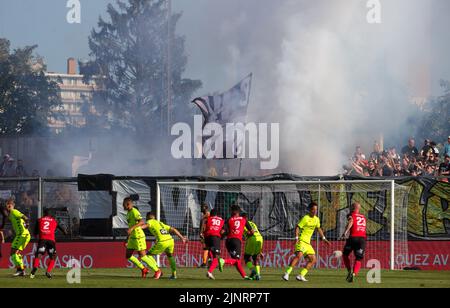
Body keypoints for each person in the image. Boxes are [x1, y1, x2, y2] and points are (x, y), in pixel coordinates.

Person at [282, 202, 330, 282]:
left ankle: (301, 275)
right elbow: (297, 227)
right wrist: (296, 238)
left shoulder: (316, 219)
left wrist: (324, 238)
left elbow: (319, 229)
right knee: (299, 256)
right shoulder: (305, 218)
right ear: (310, 210)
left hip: (308, 243)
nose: (315, 211)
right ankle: (287, 273)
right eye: (313, 209)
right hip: (301, 240)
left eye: (316, 210)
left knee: (313, 260)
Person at [143, 211, 187, 280]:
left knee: (147, 255)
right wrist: (182, 238)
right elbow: (174, 229)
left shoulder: (150, 221)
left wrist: (137, 227)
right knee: (170, 256)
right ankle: (174, 274)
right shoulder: (160, 223)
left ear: (148, 217)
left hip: (162, 242)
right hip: (170, 240)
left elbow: (145, 226)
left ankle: (157, 270)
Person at [123, 197, 156, 278]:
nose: (122, 206)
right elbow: (130, 227)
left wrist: (132, 228)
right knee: (128, 255)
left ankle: (157, 270)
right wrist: (127, 239)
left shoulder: (134, 211)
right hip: (132, 238)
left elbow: (141, 222)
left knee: (143, 256)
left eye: (123, 204)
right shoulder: (128, 213)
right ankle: (143, 269)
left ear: (128, 204)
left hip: (138, 237)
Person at [218, 205, 253, 280]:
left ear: (233, 211)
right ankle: (223, 260)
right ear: (238, 212)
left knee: (236, 261)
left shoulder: (229, 219)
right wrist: (247, 235)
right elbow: (251, 231)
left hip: (228, 241)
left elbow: (222, 231)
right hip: (236, 241)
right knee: (236, 259)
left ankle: (244, 276)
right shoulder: (243, 219)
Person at [30, 208, 67, 279]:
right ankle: (48, 271)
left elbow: (35, 232)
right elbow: (63, 229)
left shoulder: (39, 220)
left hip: (42, 240)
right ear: (50, 214)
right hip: (51, 240)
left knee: (39, 255)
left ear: (44, 213)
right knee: (53, 257)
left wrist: (37, 233)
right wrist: (65, 233)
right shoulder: (54, 220)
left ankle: (35, 267)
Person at [341, 202, 367, 283]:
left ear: (353, 208)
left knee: (345, 255)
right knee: (358, 258)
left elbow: (351, 221)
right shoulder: (363, 217)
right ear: (359, 208)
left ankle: (349, 271)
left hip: (353, 238)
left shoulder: (351, 215)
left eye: (351, 206)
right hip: (362, 239)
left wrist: (345, 232)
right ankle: (354, 274)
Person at [5, 198, 31, 276]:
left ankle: (21, 270)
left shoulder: (14, 211)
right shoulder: (10, 214)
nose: (8, 206)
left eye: (9, 205)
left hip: (22, 235)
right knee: (16, 253)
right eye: (7, 205)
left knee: (13, 253)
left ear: (13, 205)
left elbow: (25, 217)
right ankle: (20, 270)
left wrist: (27, 223)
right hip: (24, 235)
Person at [204, 209, 225, 280]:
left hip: (207, 236)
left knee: (210, 252)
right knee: (216, 256)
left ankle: (210, 261)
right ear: (217, 214)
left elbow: (204, 227)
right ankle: (209, 272)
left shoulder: (208, 219)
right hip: (215, 236)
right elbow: (222, 231)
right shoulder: (221, 220)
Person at [242, 212, 263, 281]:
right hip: (260, 238)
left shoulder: (243, 223)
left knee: (246, 257)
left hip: (252, 239)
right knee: (255, 258)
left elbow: (249, 233)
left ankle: (253, 270)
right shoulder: (252, 223)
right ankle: (258, 275)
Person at [199, 203, 211, 268]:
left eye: (202, 207)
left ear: (205, 208)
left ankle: (204, 263)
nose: (201, 208)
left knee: (206, 248)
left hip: (206, 233)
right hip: (205, 232)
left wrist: (201, 232)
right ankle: (208, 263)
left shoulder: (207, 214)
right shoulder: (205, 215)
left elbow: (203, 224)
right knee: (207, 248)